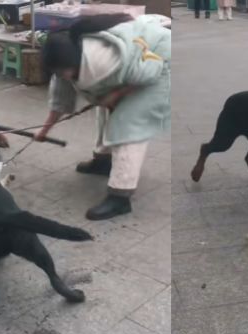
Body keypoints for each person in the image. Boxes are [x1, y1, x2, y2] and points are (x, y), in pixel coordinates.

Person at [37, 14, 170, 221]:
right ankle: (103, 161)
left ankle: (120, 196)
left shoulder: (104, 59)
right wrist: (44, 131)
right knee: (103, 109)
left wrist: (116, 95)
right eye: (57, 72)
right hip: (132, 66)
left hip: (157, 62)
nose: (61, 75)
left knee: (127, 126)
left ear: (73, 61)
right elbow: (60, 99)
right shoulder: (64, 60)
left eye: (63, 71)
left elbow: (147, 74)